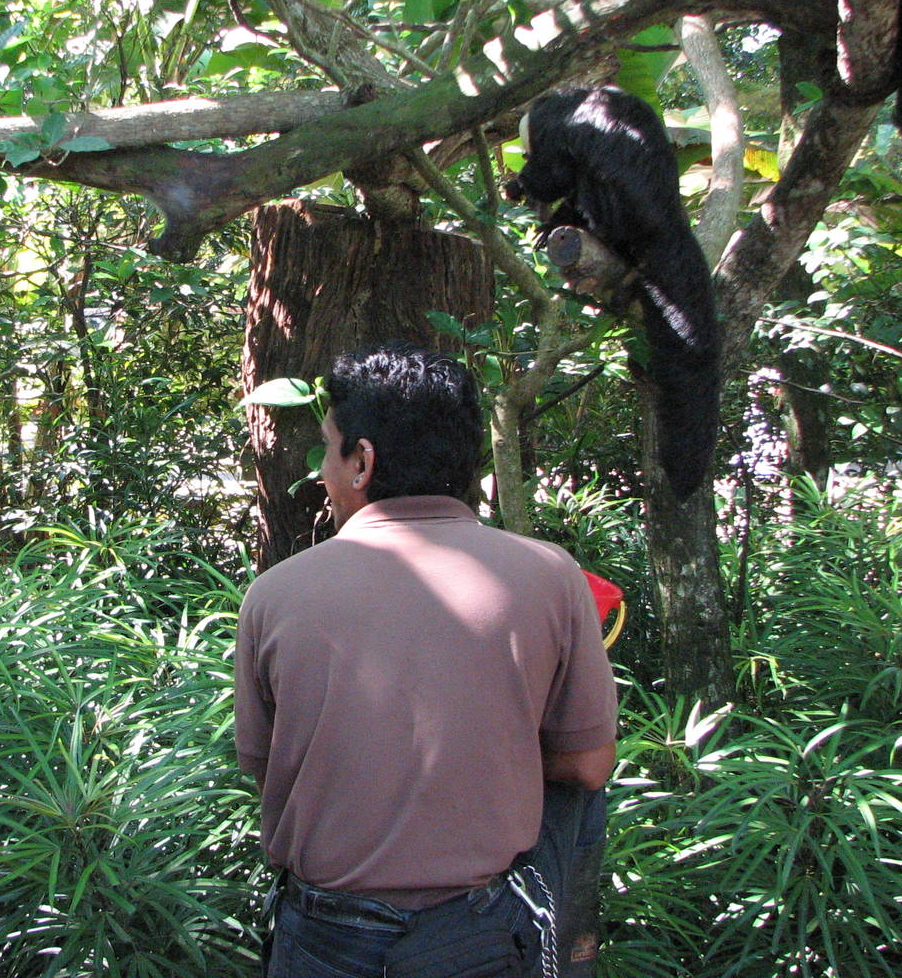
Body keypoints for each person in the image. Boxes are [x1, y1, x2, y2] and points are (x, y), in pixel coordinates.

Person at [234, 341, 619, 976]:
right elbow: (587, 765)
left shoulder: (275, 595)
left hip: (325, 938)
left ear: (362, 462)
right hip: (483, 935)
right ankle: (570, 951)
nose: (324, 472)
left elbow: (266, 763)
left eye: (330, 449)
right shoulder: (552, 577)